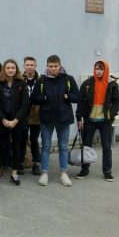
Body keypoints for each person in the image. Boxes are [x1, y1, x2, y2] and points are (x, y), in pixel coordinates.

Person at [30, 55, 81, 187]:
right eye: (50, 66)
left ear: (60, 65)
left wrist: (67, 96)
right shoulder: (41, 80)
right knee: (46, 147)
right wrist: (44, 98)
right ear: (47, 66)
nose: (53, 69)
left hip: (63, 118)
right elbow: (34, 98)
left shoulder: (68, 79)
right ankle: (44, 174)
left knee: (63, 147)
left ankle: (64, 174)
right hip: (46, 118)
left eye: (55, 66)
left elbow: (77, 97)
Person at [75, 60, 119, 181]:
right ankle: (84, 169)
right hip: (89, 120)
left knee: (106, 147)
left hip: (105, 121)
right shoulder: (87, 83)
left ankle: (107, 171)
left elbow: (117, 101)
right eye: (96, 68)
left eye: (101, 68)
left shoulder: (112, 84)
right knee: (86, 146)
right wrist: (79, 118)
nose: (99, 71)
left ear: (105, 69)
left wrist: (112, 113)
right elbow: (80, 102)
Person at [0, 59, 29, 186]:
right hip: (2, 120)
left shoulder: (21, 84)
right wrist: (3, 119)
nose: (10, 70)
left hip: (17, 121)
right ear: (4, 69)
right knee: (1, 145)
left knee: (17, 146)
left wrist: (15, 120)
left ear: (16, 69)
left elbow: (25, 104)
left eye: (13, 67)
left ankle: (14, 173)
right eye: (8, 67)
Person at [22, 57, 42, 176]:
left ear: (35, 66)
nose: (29, 67)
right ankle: (20, 163)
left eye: (32, 65)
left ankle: (36, 164)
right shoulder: (19, 79)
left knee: (34, 140)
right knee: (21, 139)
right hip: (23, 114)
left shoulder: (41, 79)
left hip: (36, 115)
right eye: (27, 65)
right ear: (24, 66)